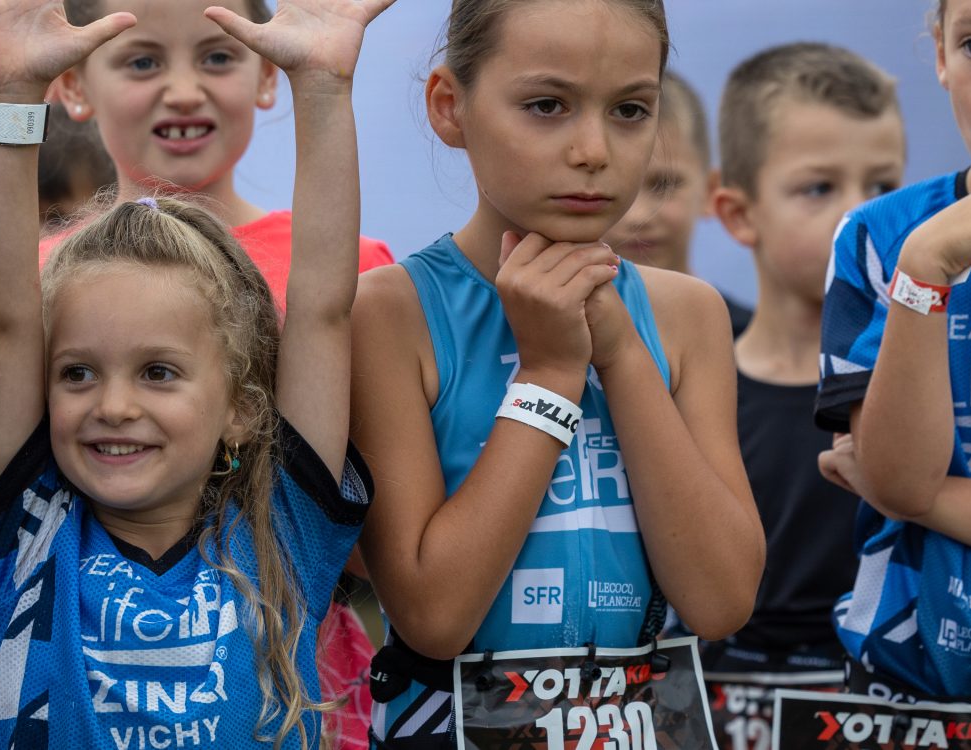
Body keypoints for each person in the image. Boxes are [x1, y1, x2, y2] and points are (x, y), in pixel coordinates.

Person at [0, 0, 393, 736]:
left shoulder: (286, 538)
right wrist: (10, 96)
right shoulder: (28, 537)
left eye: (159, 373)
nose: (114, 405)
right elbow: (4, 319)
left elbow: (323, 310)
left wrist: (323, 86)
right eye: (77, 374)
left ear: (245, 407)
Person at [349, 0, 764, 746]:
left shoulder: (686, 315)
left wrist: (623, 354)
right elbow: (434, 617)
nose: (593, 150)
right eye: (547, 105)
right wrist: (546, 374)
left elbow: (721, 600)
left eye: (630, 110)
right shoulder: (390, 312)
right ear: (450, 105)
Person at [814, 0, 971, 701]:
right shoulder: (883, 236)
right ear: (940, 55)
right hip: (902, 687)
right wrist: (923, 273)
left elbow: (894, 486)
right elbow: (899, 478)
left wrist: (920, 498)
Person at [702, 42, 905, 673]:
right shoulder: (690, 388)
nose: (860, 215)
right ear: (739, 214)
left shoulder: (931, 386)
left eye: (883, 186)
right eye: (819, 188)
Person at [601, 70, 754, 336]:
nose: (638, 216)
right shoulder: (545, 340)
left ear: (709, 191)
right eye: (615, 186)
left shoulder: (745, 344)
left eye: (664, 185)